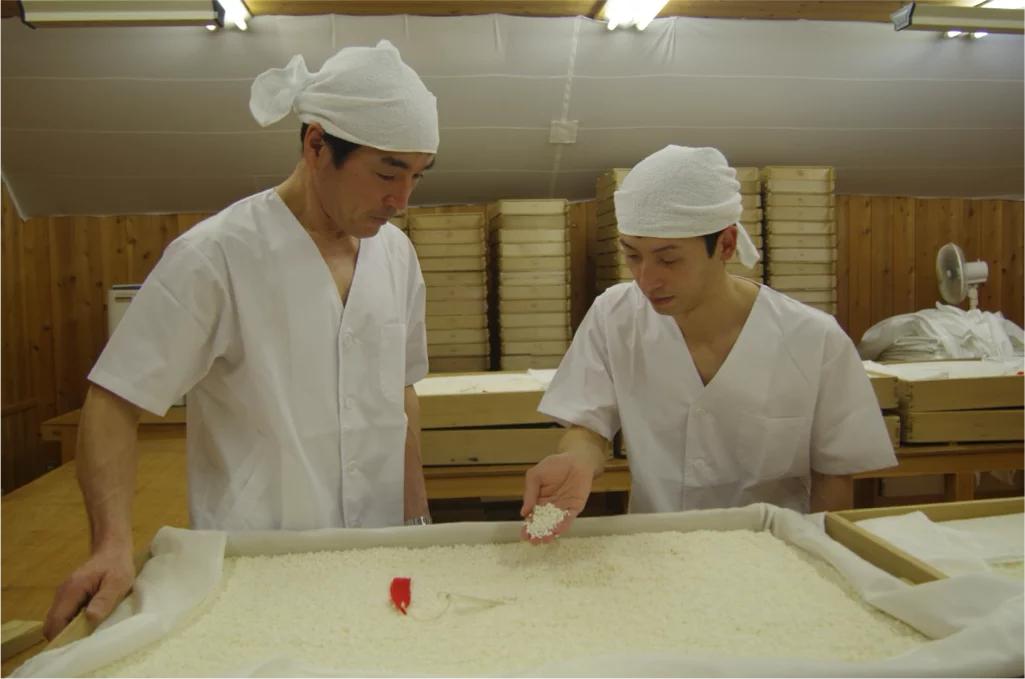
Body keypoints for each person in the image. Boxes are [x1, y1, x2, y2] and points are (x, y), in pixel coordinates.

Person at [43, 40, 439, 638]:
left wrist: (416, 521)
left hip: (376, 555)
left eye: (416, 175)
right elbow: (115, 398)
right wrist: (111, 544)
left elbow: (400, 393)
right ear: (316, 145)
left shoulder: (397, 257)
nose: (402, 199)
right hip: (257, 559)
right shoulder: (218, 256)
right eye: (387, 172)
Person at [520, 145, 897, 544]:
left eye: (669, 260)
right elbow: (588, 423)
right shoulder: (615, 316)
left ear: (726, 245)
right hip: (657, 547)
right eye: (632, 255)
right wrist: (577, 459)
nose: (647, 279)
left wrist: (823, 560)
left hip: (773, 553)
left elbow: (834, 475)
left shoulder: (813, 339)